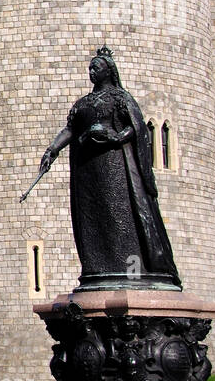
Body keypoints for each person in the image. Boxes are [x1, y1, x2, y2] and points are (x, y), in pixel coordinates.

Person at [39, 47, 180, 291]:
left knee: (121, 217)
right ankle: (98, 267)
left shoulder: (120, 98)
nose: (92, 72)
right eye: (90, 68)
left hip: (116, 167)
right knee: (94, 218)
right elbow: (70, 129)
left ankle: (133, 275)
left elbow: (137, 128)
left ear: (109, 71)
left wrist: (115, 137)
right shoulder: (83, 104)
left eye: (97, 68)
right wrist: (53, 149)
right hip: (89, 170)